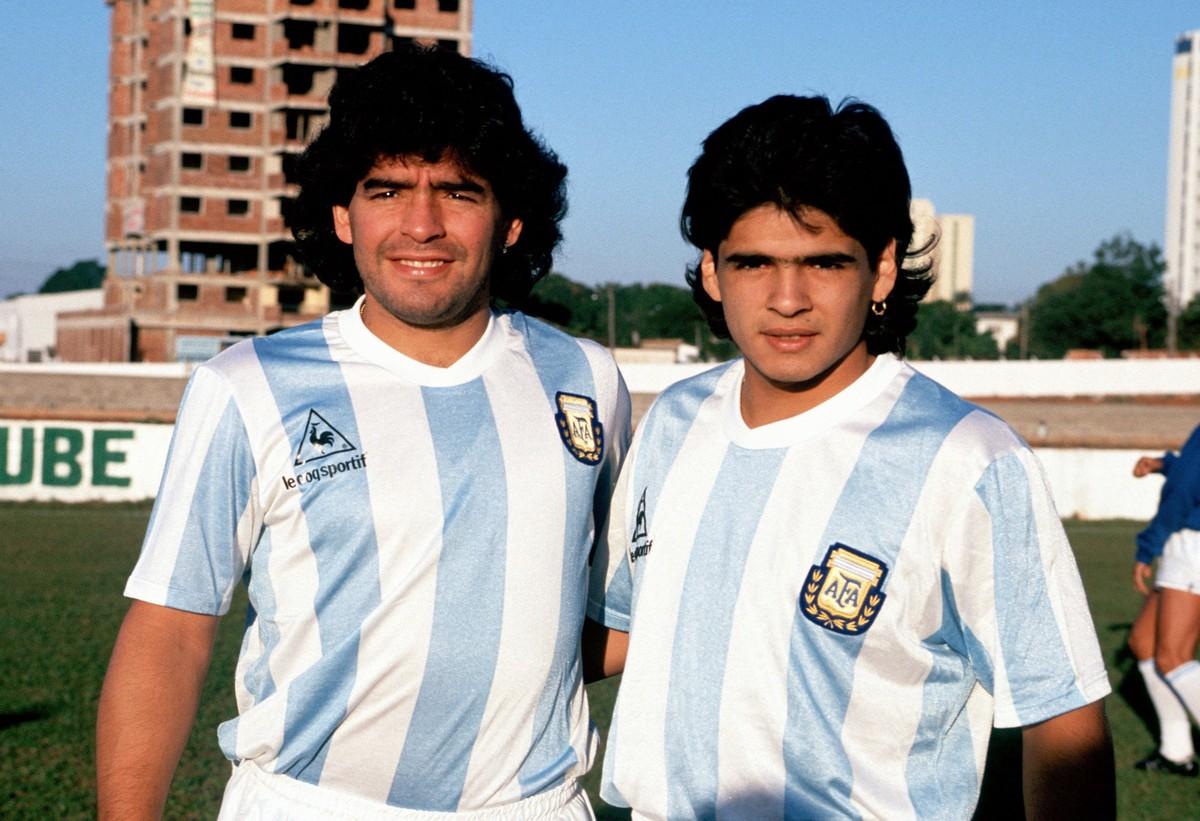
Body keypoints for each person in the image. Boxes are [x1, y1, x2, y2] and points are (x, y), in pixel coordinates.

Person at [97, 46, 629, 820]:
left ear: (511, 221)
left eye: (458, 192)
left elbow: (614, 610)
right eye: (388, 190)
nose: (422, 224)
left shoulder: (585, 378)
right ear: (343, 216)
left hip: (533, 806)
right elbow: (171, 630)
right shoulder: (246, 385)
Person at [583, 95, 1114, 819]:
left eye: (824, 262)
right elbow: (624, 628)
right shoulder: (675, 421)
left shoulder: (967, 459)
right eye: (753, 262)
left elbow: (1063, 718)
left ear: (883, 269)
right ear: (711, 270)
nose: (788, 299)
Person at [1127, 426, 1200, 776]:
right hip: (1188, 545)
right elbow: (1191, 471)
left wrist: (1148, 547)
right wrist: (1164, 464)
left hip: (1192, 545)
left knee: (1173, 657)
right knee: (1144, 642)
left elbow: (1184, 489)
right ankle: (1176, 752)